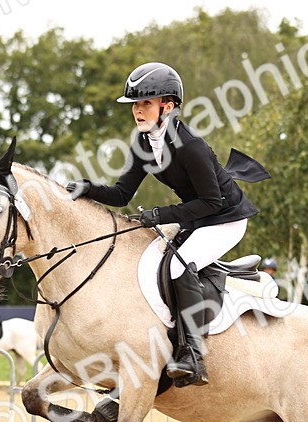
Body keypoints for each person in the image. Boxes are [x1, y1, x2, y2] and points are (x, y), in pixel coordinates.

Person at [66, 62, 269, 387]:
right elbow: (121, 194)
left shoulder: (191, 147)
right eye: (135, 104)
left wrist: (160, 215)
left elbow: (212, 202)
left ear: (168, 105)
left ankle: (193, 355)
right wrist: (88, 188)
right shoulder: (143, 143)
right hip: (197, 216)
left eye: (145, 103)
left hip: (226, 218)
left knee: (177, 266)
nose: (137, 110)